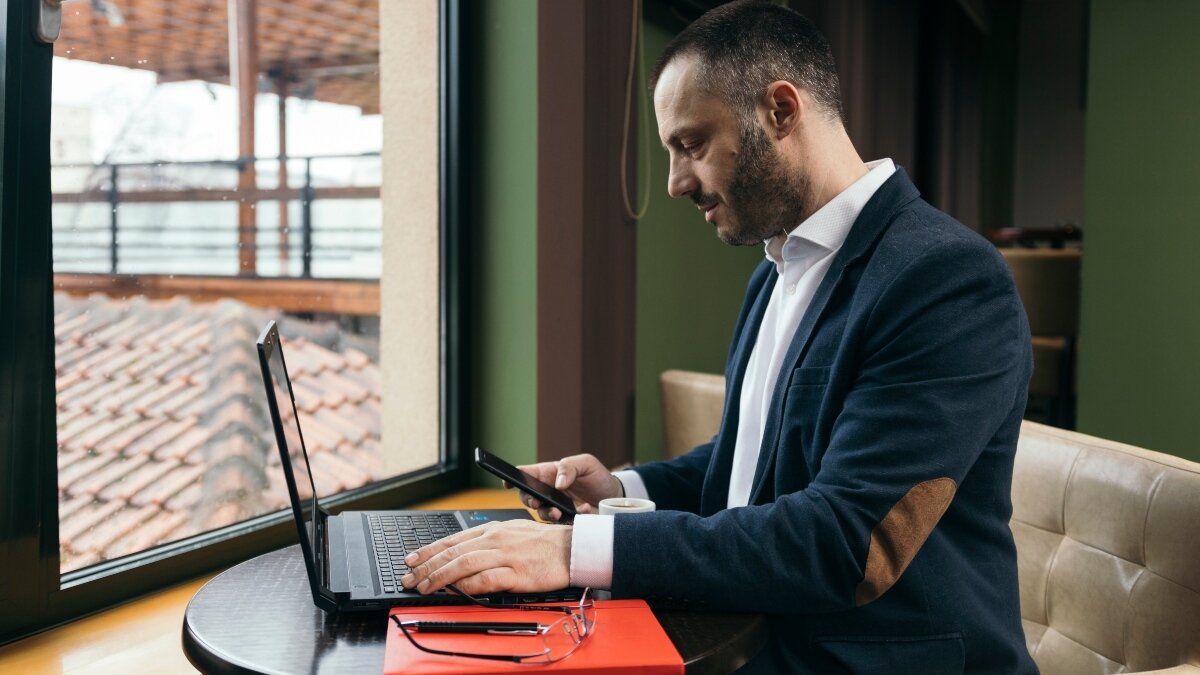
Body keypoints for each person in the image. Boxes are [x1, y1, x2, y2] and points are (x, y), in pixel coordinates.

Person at [401, 2, 1037, 672]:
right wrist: (618, 489)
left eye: (691, 145)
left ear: (782, 111)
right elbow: (753, 464)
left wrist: (574, 549)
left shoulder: (944, 279)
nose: (676, 183)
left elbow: (846, 543)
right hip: (757, 640)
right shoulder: (776, 269)